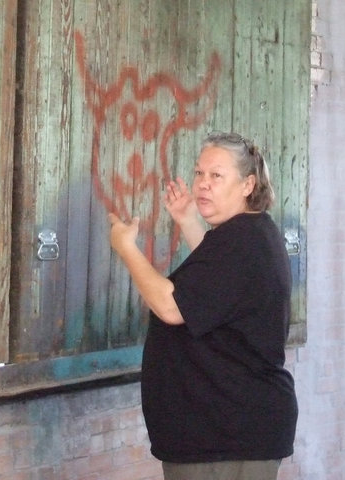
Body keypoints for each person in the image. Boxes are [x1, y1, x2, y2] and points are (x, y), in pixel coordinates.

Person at [108, 132, 298, 480]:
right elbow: (216, 290)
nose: (203, 184)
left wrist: (127, 249)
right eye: (199, 173)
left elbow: (172, 307)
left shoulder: (241, 241)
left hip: (226, 437)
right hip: (224, 433)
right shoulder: (246, 234)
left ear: (247, 184)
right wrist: (187, 221)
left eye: (216, 176)